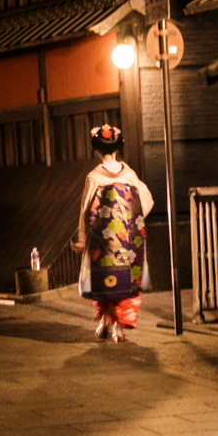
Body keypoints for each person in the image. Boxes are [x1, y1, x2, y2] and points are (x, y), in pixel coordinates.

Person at [72, 124, 154, 342]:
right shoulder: (129, 174)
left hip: (102, 241)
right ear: (117, 149)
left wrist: (82, 239)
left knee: (103, 283)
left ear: (97, 150)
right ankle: (119, 327)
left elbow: (84, 210)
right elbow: (147, 200)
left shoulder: (94, 177)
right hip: (126, 241)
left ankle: (104, 321)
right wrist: (130, 218)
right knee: (126, 282)